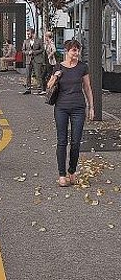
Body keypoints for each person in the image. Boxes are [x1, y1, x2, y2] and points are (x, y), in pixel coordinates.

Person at [46, 39, 94, 187]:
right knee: (62, 141)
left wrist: (91, 107)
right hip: (61, 108)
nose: (76, 53)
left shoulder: (82, 67)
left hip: (78, 108)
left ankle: (72, 171)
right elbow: (49, 85)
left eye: (78, 50)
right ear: (67, 51)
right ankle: (62, 175)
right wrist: (56, 76)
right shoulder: (59, 67)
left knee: (76, 142)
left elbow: (87, 87)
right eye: (74, 50)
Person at [21, 28, 45, 95]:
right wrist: (28, 52)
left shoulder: (39, 40)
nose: (28, 35)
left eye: (29, 34)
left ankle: (40, 90)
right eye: (27, 34)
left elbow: (42, 49)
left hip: (37, 60)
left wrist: (34, 52)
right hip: (28, 60)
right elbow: (23, 50)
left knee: (38, 75)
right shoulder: (25, 41)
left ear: (33, 33)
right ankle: (28, 89)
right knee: (28, 75)